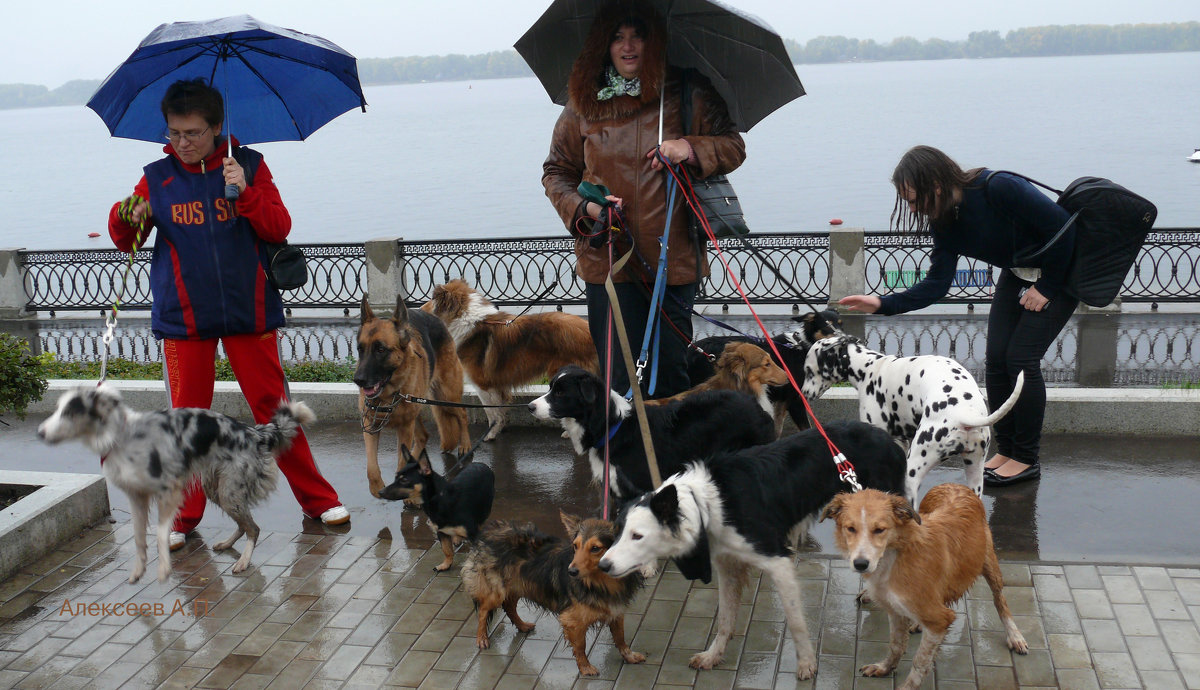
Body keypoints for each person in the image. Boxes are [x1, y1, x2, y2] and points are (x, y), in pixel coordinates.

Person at [108, 78, 349, 549]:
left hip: (249, 310)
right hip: (185, 318)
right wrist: (126, 215)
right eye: (175, 133)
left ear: (218, 127)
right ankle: (181, 517)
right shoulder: (157, 178)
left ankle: (318, 499)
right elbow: (126, 240)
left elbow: (279, 226)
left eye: (194, 133)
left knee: (273, 410)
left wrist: (247, 192)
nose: (183, 143)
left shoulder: (250, 165)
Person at [839, 145, 1078, 487]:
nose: (912, 208)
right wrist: (882, 303)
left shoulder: (998, 187)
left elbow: (1064, 229)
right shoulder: (944, 221)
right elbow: (937, 284)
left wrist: (1050, 286)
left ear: (934, 184)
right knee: (996, 360)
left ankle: (1026, 458)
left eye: (912, 199)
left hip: (1062, 271)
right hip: (1019, 271)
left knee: (1021, 358)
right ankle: (1006, 450)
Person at [542, 2, 746, 398]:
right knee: (620, 383)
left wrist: (688, 147)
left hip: (673, 264)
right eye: (617, 37)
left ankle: (670, 460)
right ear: (604, 44)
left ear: (655, 41)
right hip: (609, 263)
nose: (628, 46)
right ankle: (624, 460)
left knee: (668, 378)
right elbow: (556, 173)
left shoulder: (688, 91)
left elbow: (733, 147)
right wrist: (588, 209)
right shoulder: (582, 103)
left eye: (638, 35)